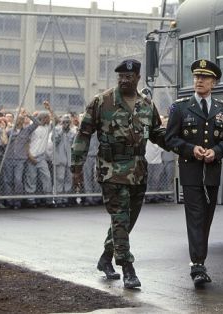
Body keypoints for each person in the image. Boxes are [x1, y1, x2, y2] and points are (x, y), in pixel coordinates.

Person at [71, 59, 166, 289]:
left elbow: (157, 134)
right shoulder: (102, 102)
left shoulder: (146, 105)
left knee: (126, 221)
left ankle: (105, 259)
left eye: (129, 77)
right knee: (120, 218)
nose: (124, 80)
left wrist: (184, 145)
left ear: (138, 79)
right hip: (111, 170)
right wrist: (76, 168)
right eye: (121, 77)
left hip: (138, 172)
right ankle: (127, 268)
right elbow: (83, 135)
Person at [165, 59, 223, 288]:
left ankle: (199, 259)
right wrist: (191, 149)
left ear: (213, 82)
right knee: (195, 217)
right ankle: (197, 265)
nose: (199, 81)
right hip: (191, 172)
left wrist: (216, 151)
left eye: (204, 78)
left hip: (212, 173)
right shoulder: (180, 107)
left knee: (206, 218)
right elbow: (171, 138)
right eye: (196, 77)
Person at [53, 114, 76, 207]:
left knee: (68, 179)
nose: (66, 124)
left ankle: (66, 198)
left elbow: (75, 145)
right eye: (64, 122)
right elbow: (54, 141)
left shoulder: (73, 132)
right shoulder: (57, 130)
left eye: (68, 122)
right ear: (61, 122)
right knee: (60, 178)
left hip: (70, 160)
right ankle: (58, 199)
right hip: (60, 159)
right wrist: (62, 131)